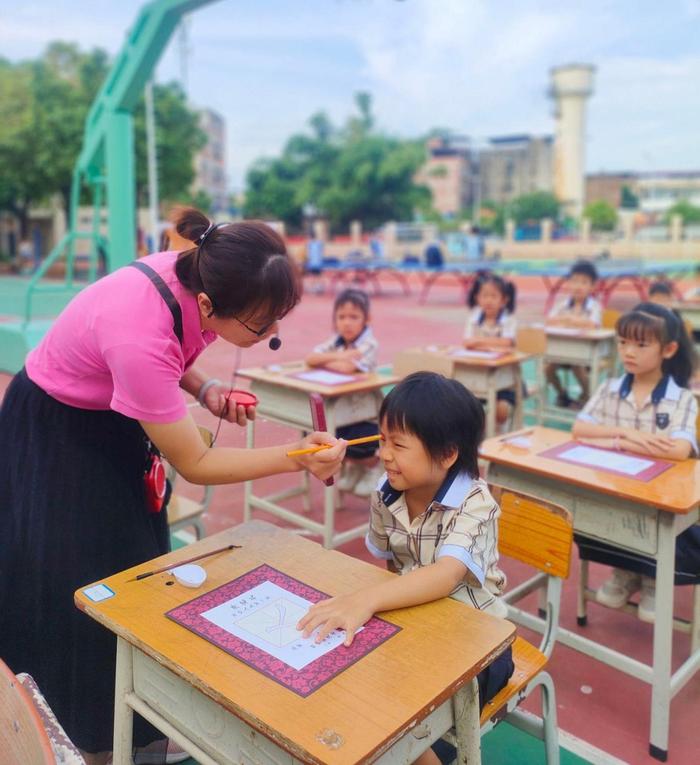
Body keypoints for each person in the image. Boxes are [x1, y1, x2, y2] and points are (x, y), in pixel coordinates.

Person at [0, 207, 346, 765]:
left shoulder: (195, 271)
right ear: (211, 304)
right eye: (262, 326)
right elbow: (198, 463)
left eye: (280, 317)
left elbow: (176, 345)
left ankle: (135, 716)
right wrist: (298, 456)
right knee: (87, 580)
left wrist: (207, 387)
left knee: (138, 561)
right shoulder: (138, 331)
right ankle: (84, 732)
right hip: (58, 434)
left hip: (107, 417)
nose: (273, 335)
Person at [298, 372, 514, 765]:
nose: (384, 454)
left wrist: (366, 600)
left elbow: (446, 574)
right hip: (415, 631)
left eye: (398, 444)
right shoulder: (386, 491)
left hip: (480, 647)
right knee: (348, 688)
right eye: (382, 440)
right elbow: (391, 565)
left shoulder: (476, 503)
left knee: (390, 717)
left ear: (447, 454)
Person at [572, 302, 699, 621]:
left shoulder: (680, 397)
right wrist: (624, 436)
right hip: (619, 486)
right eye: (623, 342)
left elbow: (680, 450)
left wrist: (613, 441)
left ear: (668, 350)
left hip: (663, 495)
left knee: (651, 519)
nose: (628, 352)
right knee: (600, 509)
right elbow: (579, 430)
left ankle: (654, 579)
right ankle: (625, 572)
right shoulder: (610, 388)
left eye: (641, 345)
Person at [305, 288, 382, 496]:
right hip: (341, 409)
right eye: (341, 317)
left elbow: (346, 369)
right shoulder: (336, 341)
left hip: (363, 412)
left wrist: (330, 361)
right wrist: (344, 356)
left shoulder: (369, 343)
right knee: (317, 432)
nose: (347, 323)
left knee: (356, 442)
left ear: (367, 319)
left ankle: (372, 468)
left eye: (354, 317)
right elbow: (311, 359)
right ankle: (355, 468)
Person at [463, 271, 518, 428]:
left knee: (501, 410)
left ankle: (490, 436)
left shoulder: (509, 319)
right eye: (484, 296)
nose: (488, 301)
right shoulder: (474, 317)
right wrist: (493, 343)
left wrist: (479, 342)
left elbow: (507, 343)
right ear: (477, 298)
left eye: (494, 296)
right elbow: (467, 342)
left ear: (504, 300)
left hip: (505, 380)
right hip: (477, 375)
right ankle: (480, 436)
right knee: (465, 407)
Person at [546, 259, 602, 408]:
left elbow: (592, 324)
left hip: (587, 353)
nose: (578, 286)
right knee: (547, 369)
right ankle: (562, 394)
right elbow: (550, 320)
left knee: (578, 365)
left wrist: (568, 319)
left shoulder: (594, 306)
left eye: (584, 282)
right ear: (569, 283)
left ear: (593, 286)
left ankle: (587, 395)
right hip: (562, 351)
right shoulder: (563, 304)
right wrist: (572, 320)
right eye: (575, 281)